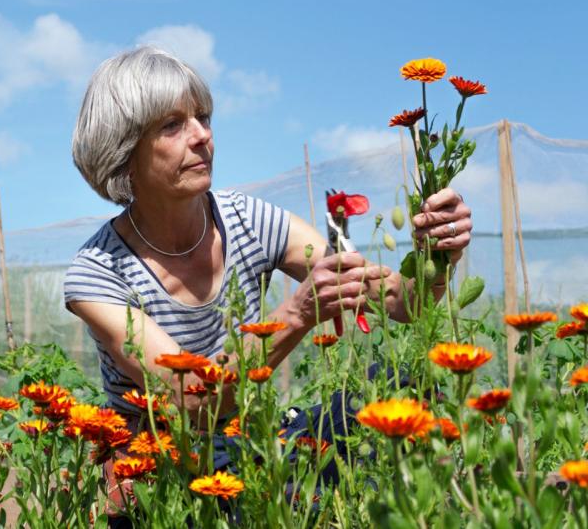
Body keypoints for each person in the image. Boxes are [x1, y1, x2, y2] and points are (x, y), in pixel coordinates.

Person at [64, 46, 472, 517]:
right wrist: (299, 312)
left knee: (398, 388)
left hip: (249, 443)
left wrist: (437, 254)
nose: (202, 136)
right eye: (172, 125)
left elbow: (401, 304)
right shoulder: (98, 271)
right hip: (161, 470)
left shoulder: (248, 219)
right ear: (123, 153)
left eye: (203, 117)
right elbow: (193, 401)